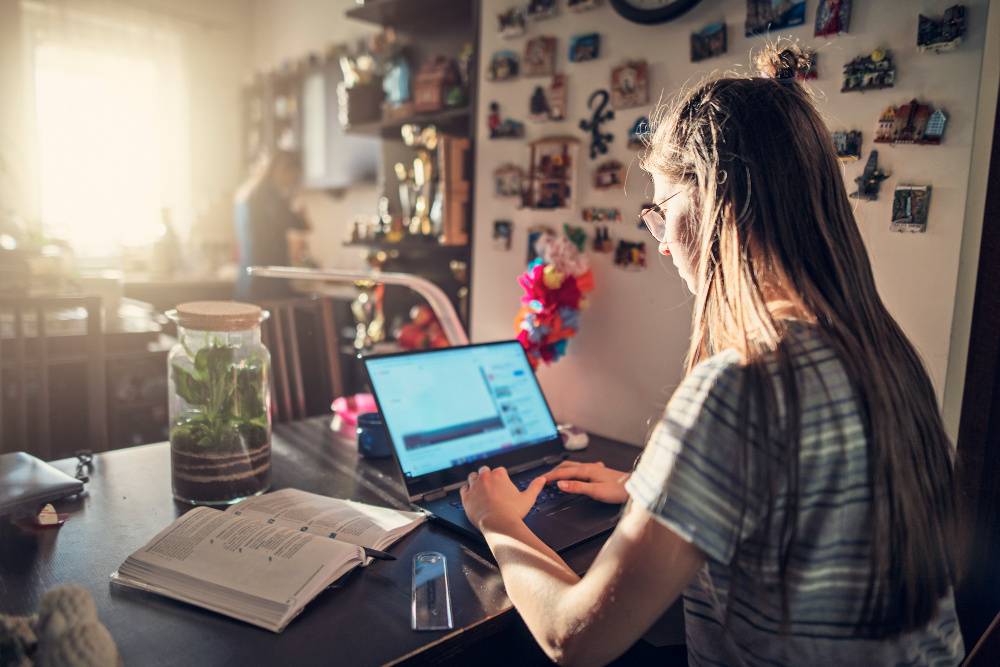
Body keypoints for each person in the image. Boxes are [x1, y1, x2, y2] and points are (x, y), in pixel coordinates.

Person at [460, 45, 963, 667]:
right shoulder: (879, 349)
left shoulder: (744, 383)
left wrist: (497, 520)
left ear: (716, 202)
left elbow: (573, 636)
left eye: (661, 213)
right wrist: (651, 490)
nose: (665, 246)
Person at [233, 150, 311, 301]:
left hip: (247, 277)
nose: (291, 183)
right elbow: (302, 225)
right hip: (268, 281)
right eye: (293, 177)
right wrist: (301, 215)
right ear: (282, 169)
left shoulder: (246, 192)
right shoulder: (271, 196)